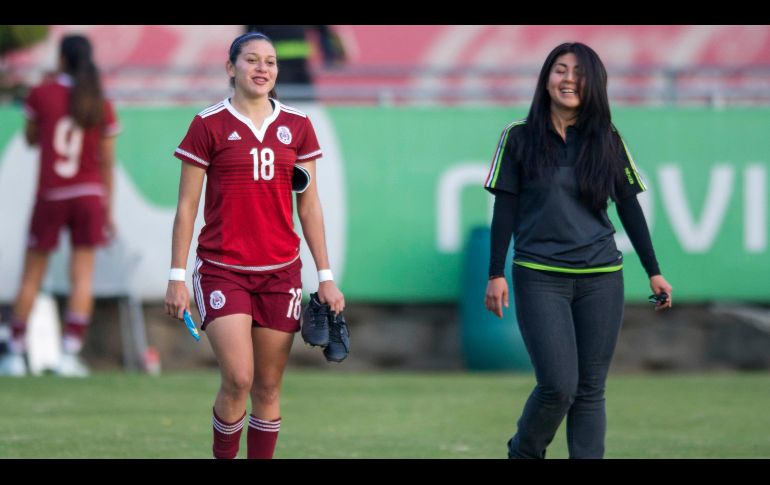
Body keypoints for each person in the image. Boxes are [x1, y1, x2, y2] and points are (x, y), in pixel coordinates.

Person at [483, 42, 673, 459]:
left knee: (590, 390)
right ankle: (524, 452)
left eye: (578, 72)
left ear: (594, 84)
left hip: (602, 278)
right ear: (546, 78)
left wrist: (653, 270)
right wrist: (495, 272)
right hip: (539, 275)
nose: (568, 79)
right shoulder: (518, 137)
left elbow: (628, 207)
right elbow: (505, 207)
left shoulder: (608, 139)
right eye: (559, 70)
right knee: (558, 385)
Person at [164, 31, 345, 459]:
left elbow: (310, 206)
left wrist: (325, 276)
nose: (262, 68)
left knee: (267, 386)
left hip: (281, 272)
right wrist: (176, 276)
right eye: (251, 60)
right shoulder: (208, 123)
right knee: (240, 378)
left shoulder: (297, 125)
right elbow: (187, 206)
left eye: (270, 61)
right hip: (222, 268)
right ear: (231, 68)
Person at [0, 34, 120, 377]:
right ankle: (69, 354)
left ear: (62, 59)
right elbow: (107, 162)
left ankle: (14, 355)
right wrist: (108, 210)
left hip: (51, 195)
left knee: (31, 276)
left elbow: (30, 138)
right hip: (90, 195)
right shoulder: (99, 99)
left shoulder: (42, 93)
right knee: (82, 277)